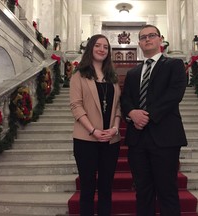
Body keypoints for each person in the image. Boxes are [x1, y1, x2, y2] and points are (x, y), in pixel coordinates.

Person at [120, 24, 188, 216]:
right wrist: (132, 113)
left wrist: (146, 115)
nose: (147, 39)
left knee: (167, 191)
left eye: (151, 35)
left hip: (165, 137)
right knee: (143, 191)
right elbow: (125, 99)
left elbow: (174, 94)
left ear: (160, 40)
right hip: (137, 140)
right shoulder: (133, 73)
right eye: (143, 37)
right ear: (139, 43)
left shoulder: (174, 65)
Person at [69, 34, 121, 216]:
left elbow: (117, 107)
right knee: (88, 188)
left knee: (106, 189)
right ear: (90, 48)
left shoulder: (112, 78)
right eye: (98, 45)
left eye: (105, 47)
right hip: (86, 141)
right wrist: (93, 131)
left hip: (111, 141)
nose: (101, 49)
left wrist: (114, 129)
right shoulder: (79, 76)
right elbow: (76, 106)